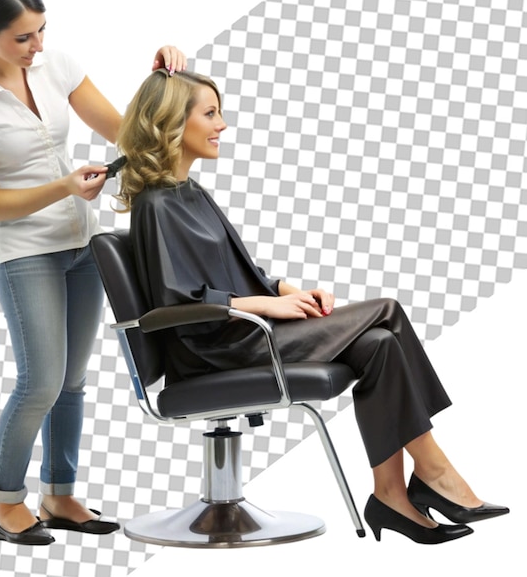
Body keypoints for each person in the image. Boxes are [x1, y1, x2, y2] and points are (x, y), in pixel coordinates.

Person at [112, 68, 509, 544]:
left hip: (243, 331)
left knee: (380, 344)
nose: (223, 124)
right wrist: (267, 307)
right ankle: (434, 471)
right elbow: (177, 300)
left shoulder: (191, 193)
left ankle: (391, 495)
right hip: (215, 349)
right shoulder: (157, 204)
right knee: (387, 310)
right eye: (210, 113)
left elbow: (237, 273)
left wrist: (284, 290)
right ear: (172, 122)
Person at [0, 0, 186, 546]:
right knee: (40, 382)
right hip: (26, 252)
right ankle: (5, 504)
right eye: (23, 38)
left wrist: (161, 84)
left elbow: (128, 131)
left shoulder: (58, 66)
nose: (38, 46)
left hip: (83, 245)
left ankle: (60, 494)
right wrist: (65, 188)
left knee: (71, 382)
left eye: (42, 30)